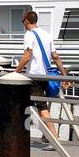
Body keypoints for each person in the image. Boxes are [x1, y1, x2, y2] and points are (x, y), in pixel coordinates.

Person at [15, 10, 67, 144]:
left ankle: (54, 139)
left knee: (41, 107)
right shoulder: (47, 35)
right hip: (45, 76)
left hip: (34, 76)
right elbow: (55, 56)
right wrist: (64, 75)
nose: (23, 24)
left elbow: (27, 56)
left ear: (26, 21)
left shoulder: (29, 34)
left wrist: (16, 72)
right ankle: (46, 134)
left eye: (23, 22)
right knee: (38, 105)